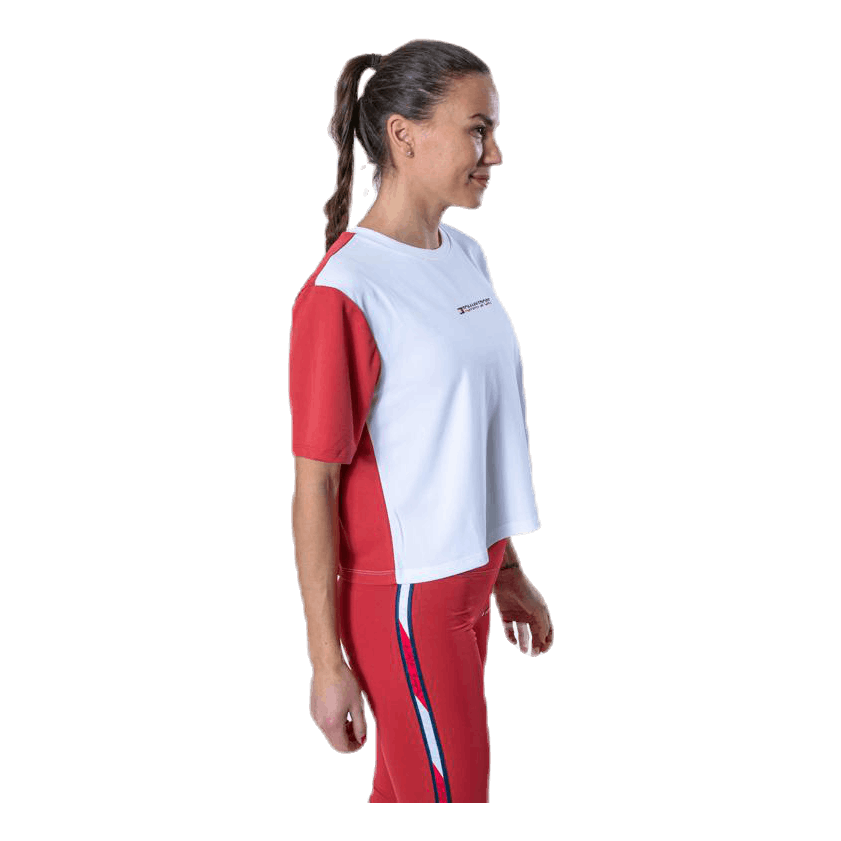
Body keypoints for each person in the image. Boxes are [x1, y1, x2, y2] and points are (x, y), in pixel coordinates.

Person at [289, 38, 553, 804]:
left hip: (470, 577)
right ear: (403, 135)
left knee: (415, 789)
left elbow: (468, 436)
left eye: (493, 133)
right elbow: (314, 488)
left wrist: (506, 570)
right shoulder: (344, 291)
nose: (493, 154)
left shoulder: (465, 256)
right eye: (477, 131)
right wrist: (326, 663)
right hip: (408, 596)